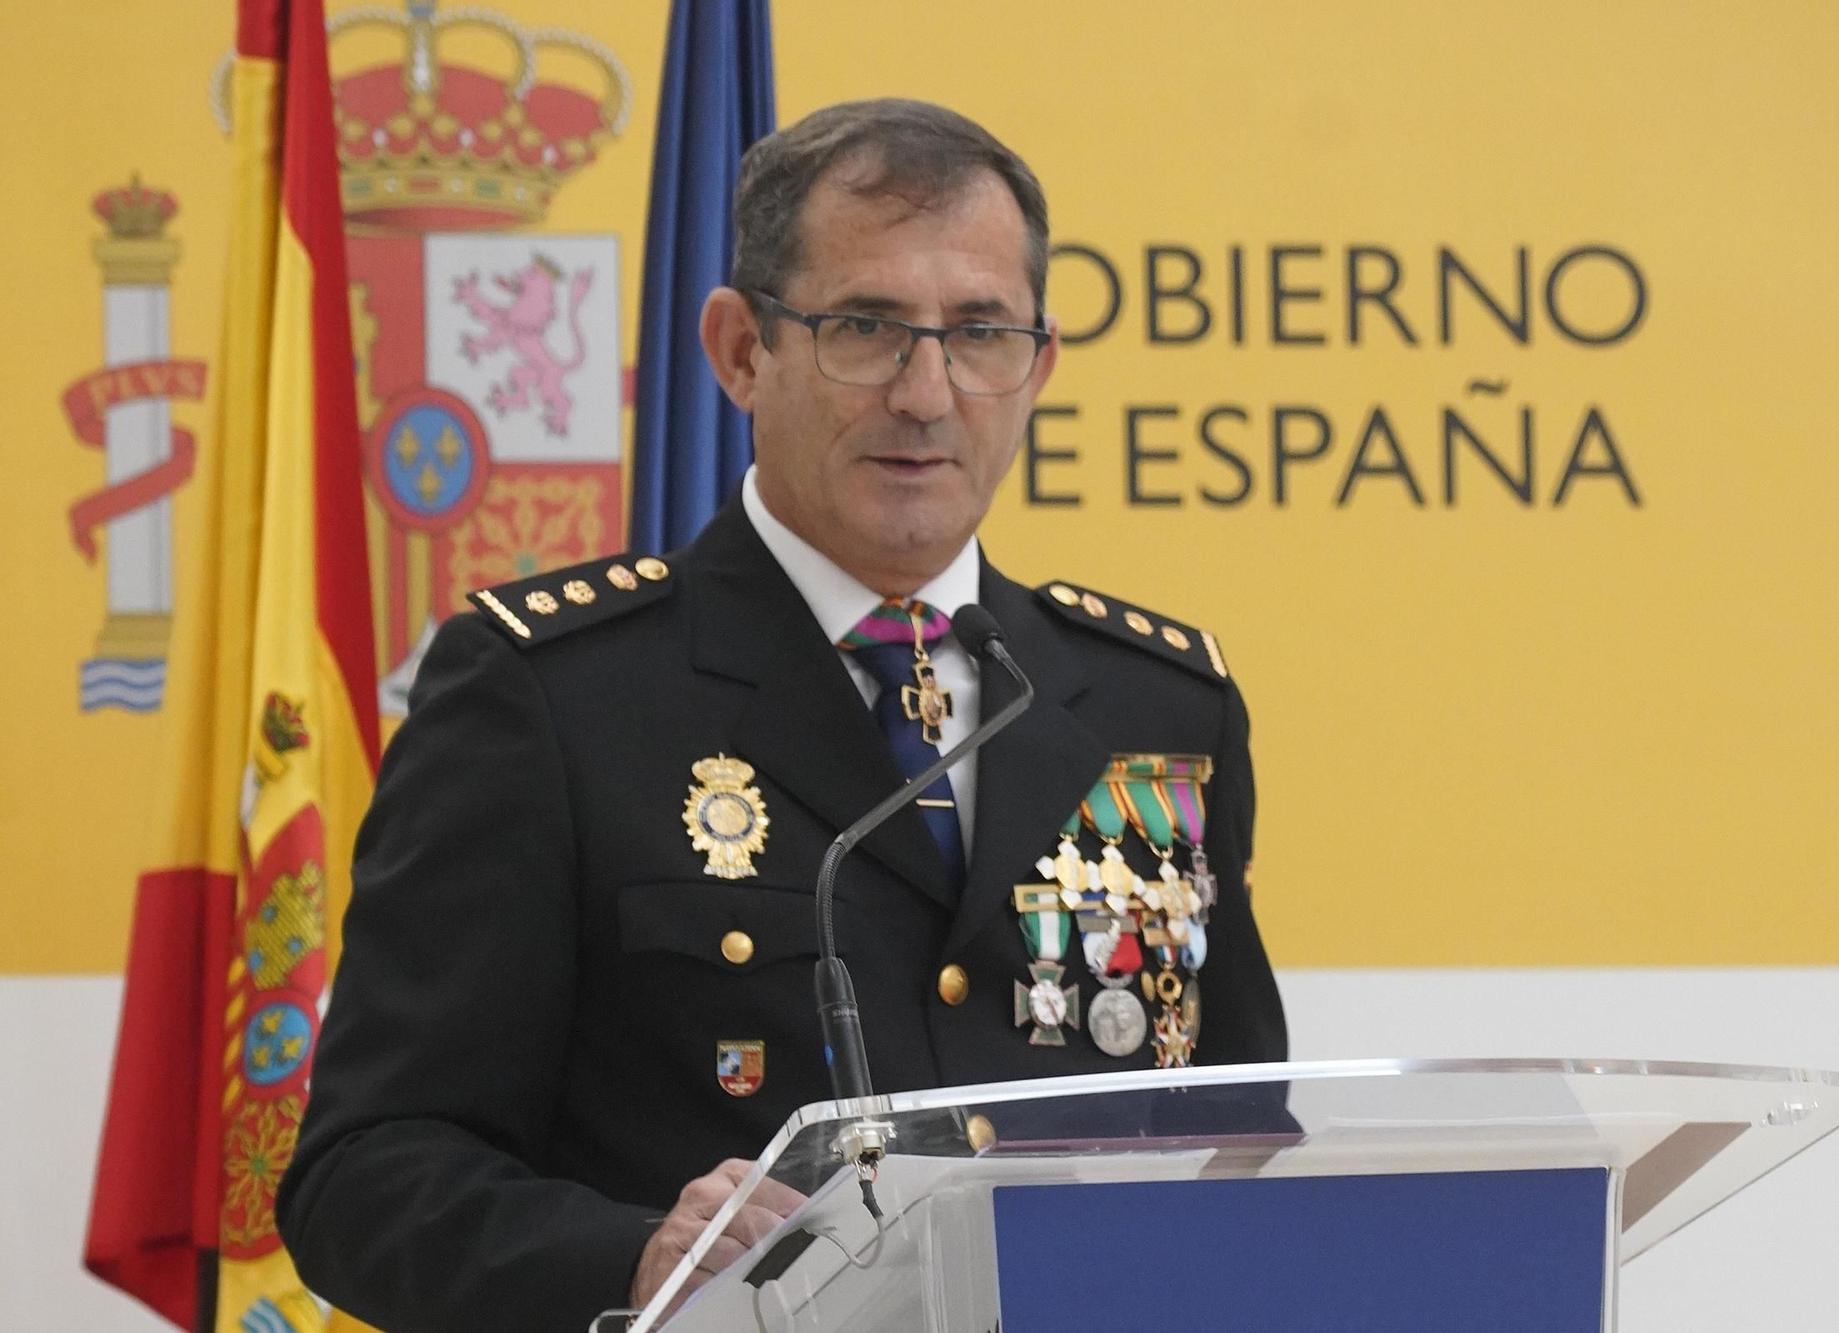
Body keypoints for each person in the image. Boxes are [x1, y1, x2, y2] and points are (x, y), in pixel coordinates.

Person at [277, 98, 1287, 1333]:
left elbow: (1246, 1135)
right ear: (740, 350)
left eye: (979, 335)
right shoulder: (549, 695)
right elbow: (363, 1176)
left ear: (1039, 364)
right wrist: (633, 1260)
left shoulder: (1152, 705)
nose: (927, 392)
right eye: (865, 328)